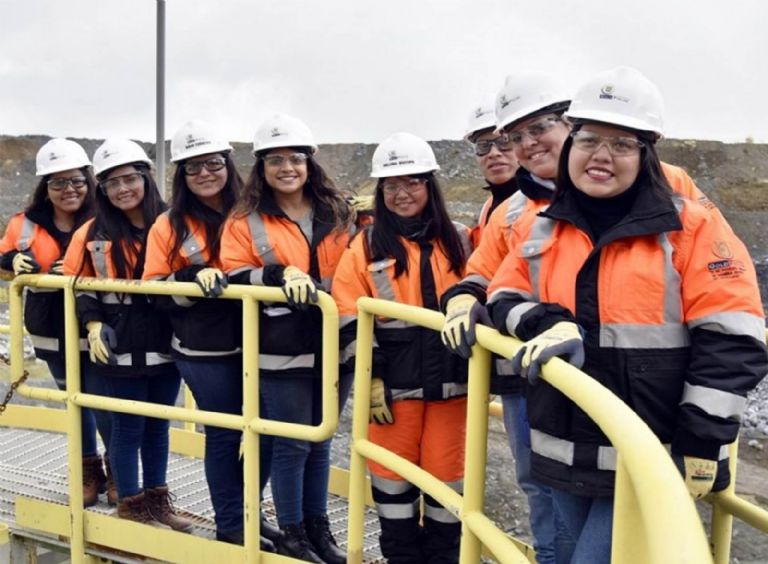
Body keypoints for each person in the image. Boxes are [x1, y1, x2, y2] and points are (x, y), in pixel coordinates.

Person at [486, 66, 768, 563]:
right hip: (563, 447)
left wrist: (703, 439)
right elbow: (503, 294)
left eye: (622, 144)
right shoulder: (543, 226)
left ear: (646, 154)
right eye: (589, 138)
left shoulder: (690, 226)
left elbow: (734, 335)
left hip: (651, 451)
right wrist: (545, 321)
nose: (600, 156)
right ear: (571, 143)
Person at [442, 74, 572, 564]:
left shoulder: (639, 186)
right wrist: (461, 297)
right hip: (525, 366)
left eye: (511, 140)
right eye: (497, 142)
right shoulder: (507, 210)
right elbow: (486, 274)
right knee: (538, 480)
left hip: (610, 372)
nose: (508, 150)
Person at [220, 113, 354, 563]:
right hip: (278, 345)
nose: (287, 168)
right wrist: (278, 274)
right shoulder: (245, 220)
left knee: (322, 439)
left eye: (295, 158)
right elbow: (234, 273)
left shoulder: (337, 211)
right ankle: (293, 534)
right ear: (261, 168)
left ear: (309, 162)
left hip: (334, 343)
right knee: (292, 441)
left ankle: (319, 531)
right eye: (275, 160)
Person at [333, 132, 471, 564]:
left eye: (412, 182)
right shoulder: (365, 246)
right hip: (393, 387)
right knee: (392, 481)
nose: (401, 193)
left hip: (454, 384)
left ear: (430, 184)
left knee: (447, 479)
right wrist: (370, 374)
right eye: (391, 185)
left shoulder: (462, 240)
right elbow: (345, 309)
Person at [142, 119, 280, 549]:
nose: (205, 173)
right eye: (193, 167)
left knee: (269, 430)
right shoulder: (170, 225)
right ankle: (231, 523)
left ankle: (250, 513)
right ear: (181, 175)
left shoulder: (258, 212)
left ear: (228, 163)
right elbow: (153, 288)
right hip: (203, 348)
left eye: (213, 163)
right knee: (225, 433)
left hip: (265, 341)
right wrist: (187, 280)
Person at [63, 138, 192, 531]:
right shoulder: (92, 232)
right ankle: (132, 508)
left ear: (146, 177)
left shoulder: (175, 221)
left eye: (129, 179)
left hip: (164, 339)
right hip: (118, 343)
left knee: (158, 426)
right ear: (102, 189)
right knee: (127, 428)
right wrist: (93, 322)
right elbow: (79, 283)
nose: (123, 189)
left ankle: (157, 502)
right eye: (112, 183)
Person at [0, 138, 114, 507]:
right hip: (50, 328)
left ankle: (118, 471)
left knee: (103, 400)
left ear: (89, 180)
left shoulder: (108, 217)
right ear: (45, 187)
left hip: (98, 324)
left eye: (77, 181)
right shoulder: (25, 224)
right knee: (72, 400)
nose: (69, 190)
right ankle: (88, 471)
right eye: (58, 182)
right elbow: (3, 255)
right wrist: (10, 264)